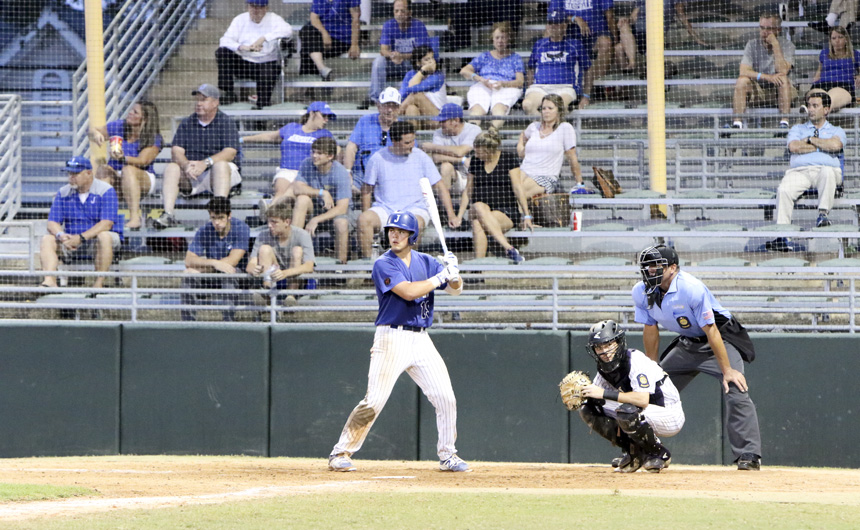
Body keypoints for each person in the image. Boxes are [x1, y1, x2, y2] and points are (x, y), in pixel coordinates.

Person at [328, 210, 469, 473]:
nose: (394, 235)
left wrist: (454, 272)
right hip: (391, 337)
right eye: (392, 230)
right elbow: (407, 292)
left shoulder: (426, 261)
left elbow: (456, 289)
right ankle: (340, 452)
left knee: (446, 398)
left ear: (411, 235)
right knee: (374, 401)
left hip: (421, 338)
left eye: (401, 231)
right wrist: (440, 277)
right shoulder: (384, 263)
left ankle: (448, 455)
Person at [633, 245, 762, 471]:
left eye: (657, 266)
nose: (651, 271)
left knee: (735, 387)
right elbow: (650, 329)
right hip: (687, 343)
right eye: (648, 267)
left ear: (673, 268)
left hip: (720, 339)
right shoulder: (640, 291)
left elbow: (712, 330)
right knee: (652, 391)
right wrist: (652, 368)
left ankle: (748, 454)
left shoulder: (690, 288)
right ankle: (646, 452)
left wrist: (727, 370)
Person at [578, 320, 685, 473]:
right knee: (589, 407)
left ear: (619, 342)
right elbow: (596, 396)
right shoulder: (604, 368)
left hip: (669, 414)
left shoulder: (635, 360)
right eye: (599, 347)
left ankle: (659, 453)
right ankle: (634, 453)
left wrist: (602, 393)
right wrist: (581, 394)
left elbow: (642, 399)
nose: (605, 352)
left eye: (609, 345)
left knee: (626, 411)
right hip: (644, 412)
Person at [358, 121, 457, 258]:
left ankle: (406, 266)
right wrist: (366, 211)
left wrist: (451, 214)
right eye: (407, 143)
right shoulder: (377, 159)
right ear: (394, 141)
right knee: (364, 220)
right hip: (385, 208)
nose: (412, 145)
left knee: (414, 223)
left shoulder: (421, 157)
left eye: (412, 141)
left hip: (415, 209)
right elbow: (367, 189)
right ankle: (370, 267)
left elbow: (439, 186)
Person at [154, 84, 242, 230]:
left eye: (204, 100)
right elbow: (176, 151)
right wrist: (186, 165)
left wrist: (205, 163)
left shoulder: (226, 122)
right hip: (193, 173)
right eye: (197, 100)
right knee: (172, 167)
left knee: (220, 165)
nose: (199, 103)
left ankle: (219, 213)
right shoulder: (187, 123)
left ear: (215, 102)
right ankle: (168, 214)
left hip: (219, 174)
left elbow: (230, 152)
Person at [767, 91, 846, 251]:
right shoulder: (797, 128)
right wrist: (822, 146)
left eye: (815, 106)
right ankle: (782, 237)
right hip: (800, 172)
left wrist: (810, 140)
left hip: (826, 171)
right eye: (809, 105)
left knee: (828, 171)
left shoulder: (837, 130)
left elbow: (836, 146)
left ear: (826, 110)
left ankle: (823, 215)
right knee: (783, 190)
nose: (810, 109)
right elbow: (794, 147)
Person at [40, 156, 123, 289]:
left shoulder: (106, 190)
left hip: (96, 242)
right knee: (47, 239)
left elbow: (106, 223)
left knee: (104, 236)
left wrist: (81, 238)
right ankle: (49, 281)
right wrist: (61, 235)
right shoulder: (63, 192)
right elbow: (52, 223)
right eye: (69, 173)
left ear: (89, 173)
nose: (71, 177)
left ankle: (98, 283)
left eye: (75, 174)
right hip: (71, 241)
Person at [244, 101, 336, 217]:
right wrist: (243, 139)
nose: (326, 120)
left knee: (290, 194)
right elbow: (270, 136)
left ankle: (270, 210)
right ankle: (273, 213)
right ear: (312, 113)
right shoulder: (292, 128)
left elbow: (335, 151)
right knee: (282, 190)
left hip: (308, 173)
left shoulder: (325, 134)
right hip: (287, 170)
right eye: (324, 116)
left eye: (328, 117)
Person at [457, 129, 531, 263]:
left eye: (480, 152)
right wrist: (459, 215)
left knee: (478, 223)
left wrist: (526, 215)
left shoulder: (508, 159)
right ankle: (508, 248)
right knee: (479, 206)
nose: (477, 155)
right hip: (477, 209)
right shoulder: (475, 161)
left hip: (505, 210)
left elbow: (517, 187)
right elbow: (468, 190)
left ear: (489, 151)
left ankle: (478, 270)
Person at [88, 100, 162, 229]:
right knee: (103, 169)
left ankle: (134, 217)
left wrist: (123, 158)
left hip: (142, 178)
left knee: (128, 170)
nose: (130, 113)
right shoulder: (119, 126)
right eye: (131, 110)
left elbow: (143, 161)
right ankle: (103, 218)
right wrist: (96, 134)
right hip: (117, 177)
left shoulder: (154, 137)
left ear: (145, 118)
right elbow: (92, 131)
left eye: (135, 112)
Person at [181, 197, 250, 322]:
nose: (217, 222)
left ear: (229, 215)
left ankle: (228, 322)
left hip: (237, 276)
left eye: (220, 218)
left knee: (227, 274)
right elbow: (189, 260)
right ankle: (188, 323)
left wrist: (202, 270)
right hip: (212, 274)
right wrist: (213, 263)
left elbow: (232, 261)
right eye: (213, 218)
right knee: (189, 277)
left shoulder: (241, 228)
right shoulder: (205, 230)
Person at [215, 0, 293, 108]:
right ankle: (228, 92)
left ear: (266, 8)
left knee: (269, 71)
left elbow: (288, 31)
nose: (255, 10)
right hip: (245, 63)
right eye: (252, 7)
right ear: (248, 7)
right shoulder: (240, 19)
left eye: (259, 7)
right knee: (222, 52)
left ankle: (262, 108)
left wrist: (263, 38)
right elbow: (224, 41)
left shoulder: (274, 19)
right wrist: (243, 47)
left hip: (267, 63)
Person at [289, 137, 351, 264]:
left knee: (341, 223)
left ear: (330, 156)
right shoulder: (307, 163)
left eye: (319, 153)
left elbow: (342, 208)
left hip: (336, 213)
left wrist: (316, 219)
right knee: (302, 199)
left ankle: (340, 267)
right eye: (313, 152)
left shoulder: (340, 173)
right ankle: (293, 254)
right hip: (316, 207)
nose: (314, 156)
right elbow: (296, 188)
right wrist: (322, 193)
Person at [732, 14, 796, 129]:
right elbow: (743, 70)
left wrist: (775, 45)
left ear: (778, 30)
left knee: (782, 79)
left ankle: (784, 122)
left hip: (781, 91)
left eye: (769, 28)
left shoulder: (787, 45)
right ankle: (737, 123)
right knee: (742, 81)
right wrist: (767, 77)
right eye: (762, 28)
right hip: (759, 90)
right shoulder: (752, 44)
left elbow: (782, 70)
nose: (764, 32)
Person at [246, 199, 315, 303]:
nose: (269, 225)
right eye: (268, 221)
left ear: (287, 222)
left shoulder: (302, 235)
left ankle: (291, 296)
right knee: (264, 249)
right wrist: (253, 269)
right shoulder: (263, 236)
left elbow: (309, 266)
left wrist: (285, 273)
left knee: (297, 250)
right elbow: (251, 264)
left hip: (298, 278)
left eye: (274, 222)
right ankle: (266, 292)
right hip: (274, 275)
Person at [524, 11, 593, 114]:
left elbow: (588, 69)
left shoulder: (575, 45)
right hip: (540, 87)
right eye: (550, 23)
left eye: (556, 23)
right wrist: (530, 87)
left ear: (564, 25)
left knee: (557, 108)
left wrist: (586, 96)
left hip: (565, 88)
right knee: (527, 105)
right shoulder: (539, 44)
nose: (552, 26)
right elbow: (530, 68)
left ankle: (548, 128)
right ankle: (545, 127)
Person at [459, 22, 524, 130]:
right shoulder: (484, 56)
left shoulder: (515, 58)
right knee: (477, 109)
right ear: (492, 39)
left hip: (506, 87)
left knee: (499, 108)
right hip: (484, 84)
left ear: (509, 39)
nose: (500, 41)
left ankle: (491, 133)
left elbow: (520, 81)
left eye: (503, 38)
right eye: (497, 37)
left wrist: (503, 84)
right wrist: (479, 78)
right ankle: (471, 134)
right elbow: (464, 70)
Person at [516, 94, 583, 197]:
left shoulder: (565, 128)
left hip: (545, 176)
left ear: (558, 110)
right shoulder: (533, 126)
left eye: (550, 108)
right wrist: (521, 150)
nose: (546, 111)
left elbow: (572, 157)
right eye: (543, 108)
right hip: (524, 171)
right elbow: (523, 136)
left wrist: (579, 182)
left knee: (521, 189)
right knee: (511, 185)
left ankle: (525, 213)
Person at [366, 0, 429, 106]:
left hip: (411, 65)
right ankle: (376, 99)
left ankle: (409, 97)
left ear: (410, 12)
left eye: (402, 11)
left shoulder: (419, 26)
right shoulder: (388, 25)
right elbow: (383, 50)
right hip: (394, 63)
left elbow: (422, 52)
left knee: (418, 62)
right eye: (396, 11)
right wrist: (392, 55)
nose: (399, 14)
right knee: (378, 61)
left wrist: (403, 56)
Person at [548, 0, 617, 94]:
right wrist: (575, 18)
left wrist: (615, 39)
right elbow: (553, 14)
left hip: (596, 32)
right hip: (570, 32)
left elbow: (610, 16)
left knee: (606, 42)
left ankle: (588, 83)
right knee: (549, 31)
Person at [343, 86, 401, 195]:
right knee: (344, 190)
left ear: (399, 109)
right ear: (378, 106)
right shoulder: (365, 121)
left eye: (394, 106)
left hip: (391, 177)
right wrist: (347, 173)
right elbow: (351, 147)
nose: (389, 110)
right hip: (362, 175)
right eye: (386, 105)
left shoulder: (403, 128)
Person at [419, 103, 482, 195]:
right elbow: (436, 158)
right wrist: (462, 160)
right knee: (446, 166)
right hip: (454, 177)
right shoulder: (439, 132)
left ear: (455, 121)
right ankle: (443, 206)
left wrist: (433, 147)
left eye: (443, 121)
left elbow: (460, 151)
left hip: (473, 179)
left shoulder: (473, 129)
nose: (440, 124)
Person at [299, 0, 360, 81]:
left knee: (306, 48)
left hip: (342, 39)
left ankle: (309, 87)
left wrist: (354, 45)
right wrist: (325, 34)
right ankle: (322, 69)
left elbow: (356, 19)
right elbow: (314, 18)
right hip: (323, 38)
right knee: (306, 31)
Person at [810, 26, 860, 113]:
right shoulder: (824, 53)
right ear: (830, 40)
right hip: (823, 84)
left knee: (828, 97)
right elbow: (818, 72)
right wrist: (815, 81)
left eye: (840, 37)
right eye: (834, 38)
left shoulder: (855, 54)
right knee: (814, 94)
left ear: (846, 39)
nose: (837, 40)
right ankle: (816, 110)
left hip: (843, 85)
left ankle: (815, 111)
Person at [399, 45, 447, 126]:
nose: (431, 62)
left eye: (432, 58)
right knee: (411, 109)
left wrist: (422, 70)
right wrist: (421, 72)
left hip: (437, 119)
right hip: (420, 119)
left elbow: (412, 89)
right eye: (427, 59)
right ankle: (412, 137)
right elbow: (401, 95)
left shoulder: (438, 76)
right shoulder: (410, 74)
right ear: (418, 63)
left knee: (417, 95)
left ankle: (394, 115)